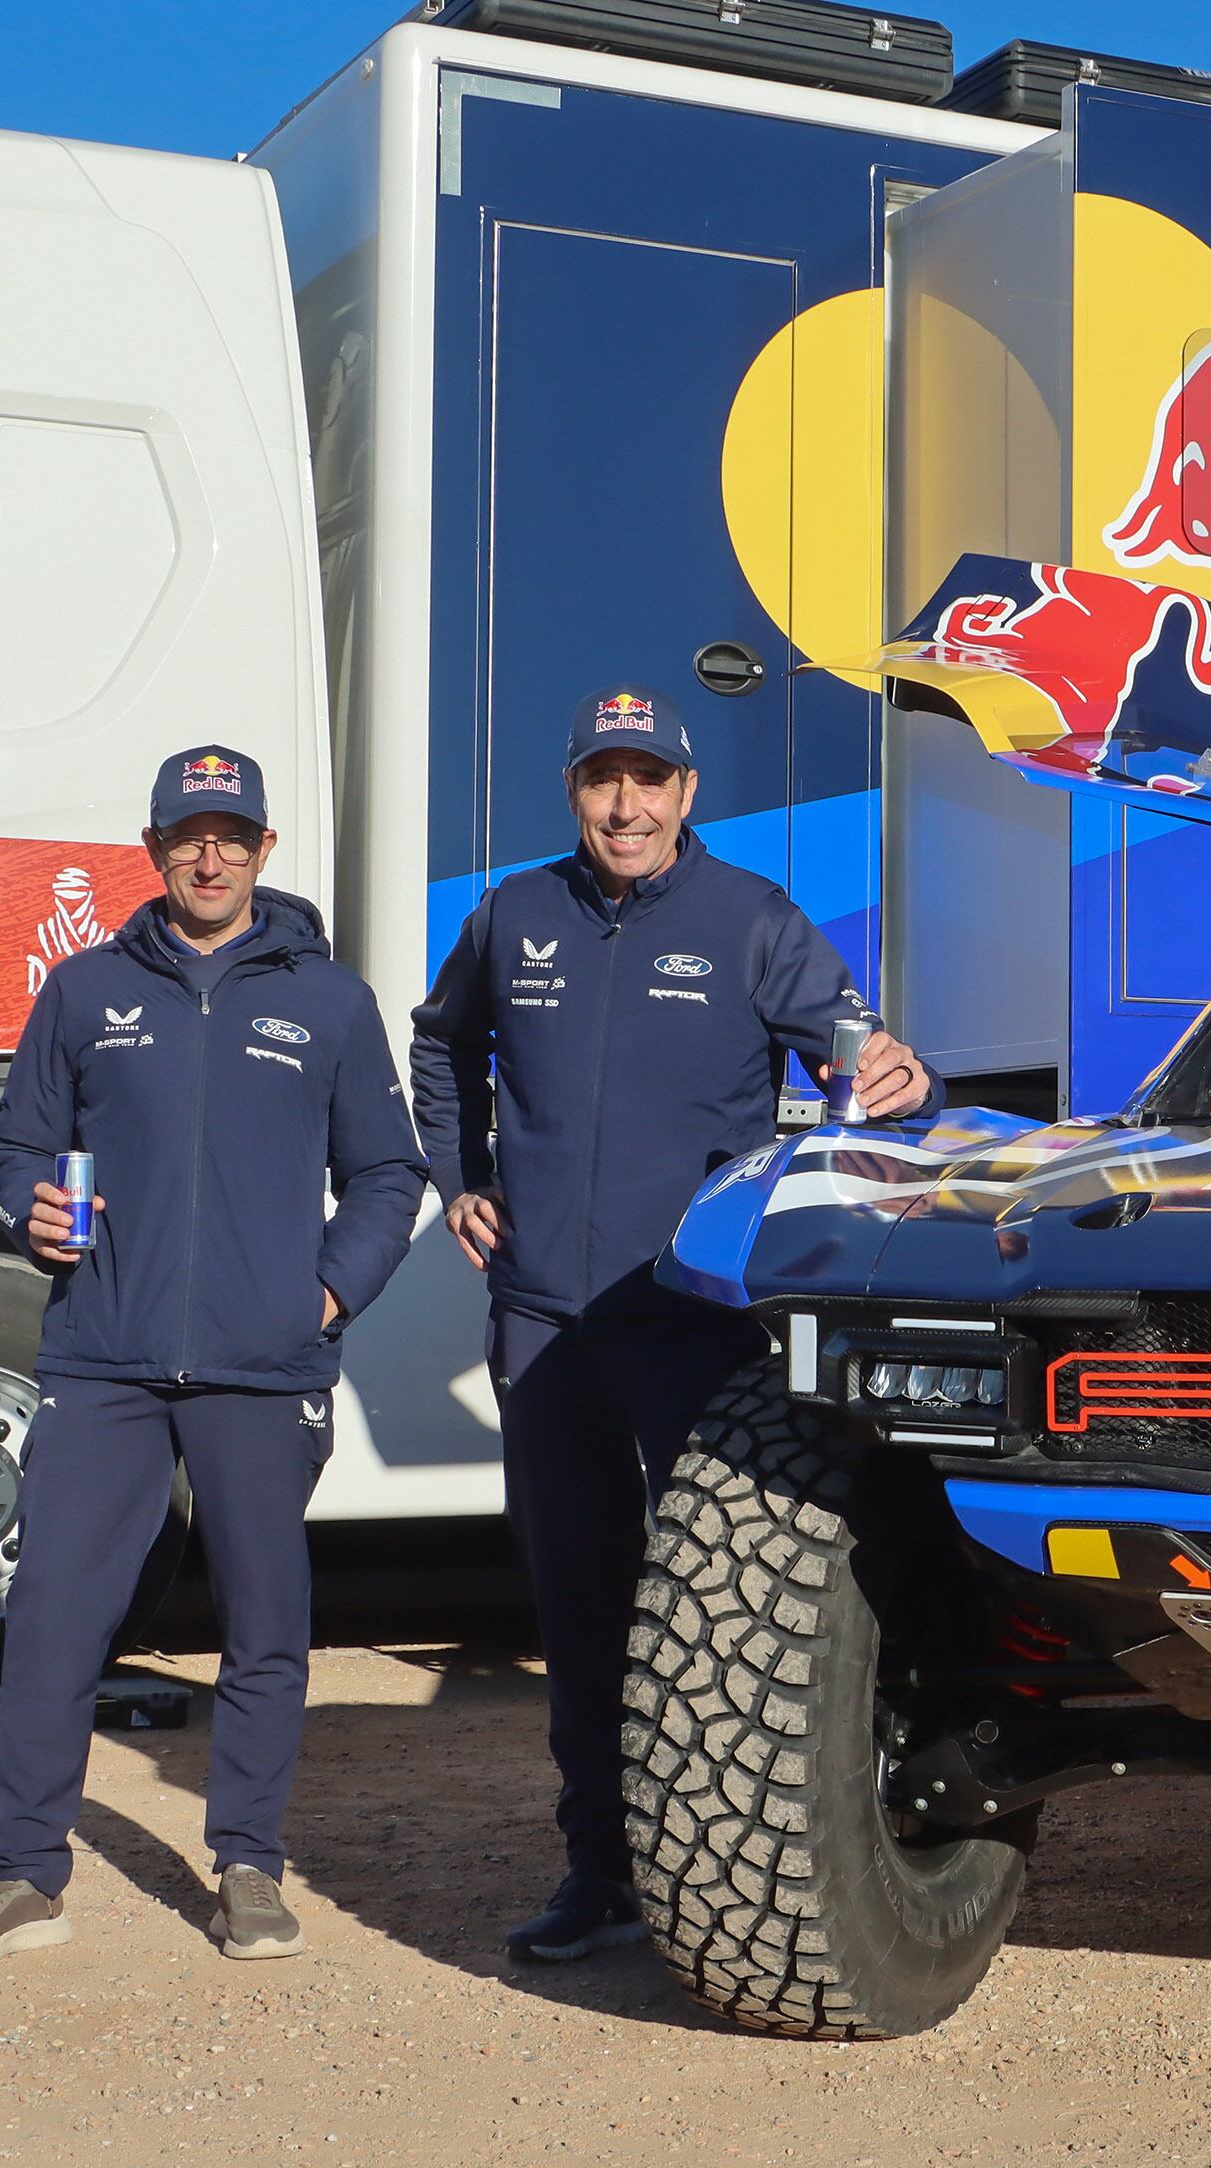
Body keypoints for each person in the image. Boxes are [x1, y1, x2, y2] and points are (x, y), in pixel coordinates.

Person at [411, 684, 932, 1961]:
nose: (626, 804)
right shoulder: (509, 915)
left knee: (715, 1600)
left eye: (650, 780)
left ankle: (724, 1865)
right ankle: (601, 1868)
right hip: (541, 1324)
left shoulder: (752, 920)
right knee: (578, 1596)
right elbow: (439, 1052)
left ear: (688, 795)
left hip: (688, 1323)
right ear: (575, 792)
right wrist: (458, 1178)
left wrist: (900, 1081)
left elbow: (861, 1065)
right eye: (604, 779)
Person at [0, 747, 426, 1970]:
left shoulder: (328, 1000)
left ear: (263, 852)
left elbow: (389, 1172)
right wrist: (29, 1203)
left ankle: (247, 1865)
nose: (211, 856)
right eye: (190, 836)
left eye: (232, 836)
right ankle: (25, 1874)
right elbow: (13, 1147)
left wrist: (330, 1290)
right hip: (106, 1355)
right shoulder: (87, 992)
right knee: (50, 1617)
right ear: (154, 850)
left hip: (265, 1362)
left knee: (263, 1622)